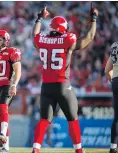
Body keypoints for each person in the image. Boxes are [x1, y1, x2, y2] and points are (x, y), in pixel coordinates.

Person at [31, 3, 98, 153]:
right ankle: (79, 150)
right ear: (63, 29)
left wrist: (39, 19)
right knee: (72, 118)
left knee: (44, 120)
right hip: (62, 85)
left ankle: (36, 149)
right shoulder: (68, 39)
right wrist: (93, 19)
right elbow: (89, 37)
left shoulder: (41, 39)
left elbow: (34, 36)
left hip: (46, 86)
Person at [0, 30, 22, 153]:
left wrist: (14, 84)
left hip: (7, 84)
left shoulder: (12, 51)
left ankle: (2, 133)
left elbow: (18, 70)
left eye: (0, 40)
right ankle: (5, 148)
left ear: (6, 41)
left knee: (3, 107)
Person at [105, 41, 118, 153]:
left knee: (117, 118)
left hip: (116, 81)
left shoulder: (115, 45)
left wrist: (113, 81)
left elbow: (107, 70)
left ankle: (113, 147)